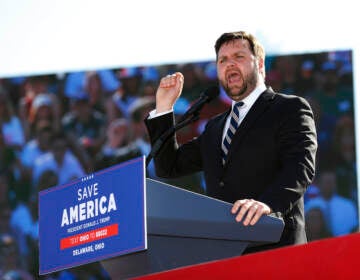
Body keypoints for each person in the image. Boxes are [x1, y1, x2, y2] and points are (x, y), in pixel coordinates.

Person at [145, 31, 318, 253]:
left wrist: (269, 205)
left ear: (261, 64)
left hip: (277, 247)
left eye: (239, 56)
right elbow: (168, 166)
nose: (230, 64)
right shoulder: (214, 127)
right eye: (223, 60)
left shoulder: (289, 108)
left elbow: (300, 166)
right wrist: (163, 108)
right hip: (226, 254)